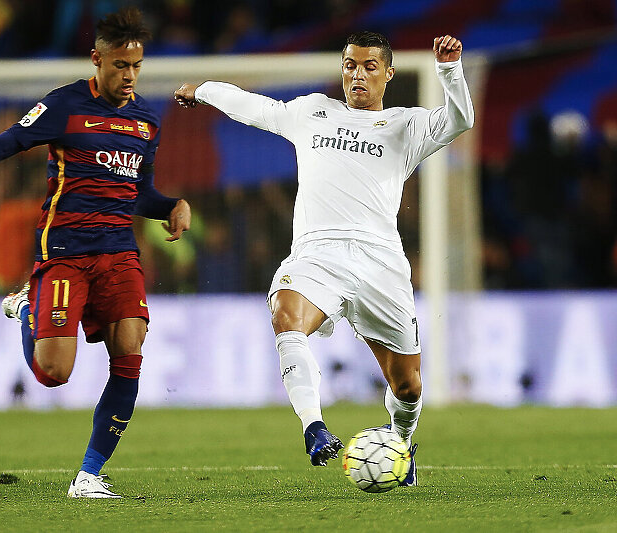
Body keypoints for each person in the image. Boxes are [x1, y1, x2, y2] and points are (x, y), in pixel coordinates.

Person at [0, 8, 191, 499]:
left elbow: (136, 192)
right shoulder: (63, 106)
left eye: (137, 66)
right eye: (120, 65)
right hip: (66, 254)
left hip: (119, 254)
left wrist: (171, 206)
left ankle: (89, 475)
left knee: (131, 352)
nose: (130, 76)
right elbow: (1, 145)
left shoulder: (146, 122)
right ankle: (26, 306)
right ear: (97, 59)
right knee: (53, 373)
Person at [175, 32, 474, 485]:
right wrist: (205, 90)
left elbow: (459, 119)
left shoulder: (405, 126)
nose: (358, 74)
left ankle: (401, 442)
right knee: (286, 316)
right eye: (351, 65)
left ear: (388, 74)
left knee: (408, 385)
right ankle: (314, 427)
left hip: (381, 263)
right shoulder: (313, 112)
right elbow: (258, 109)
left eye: (370, 66)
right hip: (318, 254)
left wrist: (449, 69)